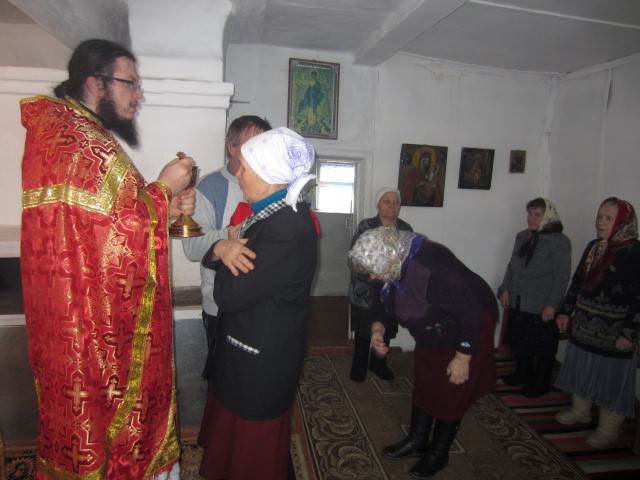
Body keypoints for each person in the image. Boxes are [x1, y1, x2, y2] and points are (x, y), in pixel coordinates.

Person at [20, 39, 196, 479]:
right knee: (105, 433)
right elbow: (119, 233)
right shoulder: (83, 141)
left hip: (75, 313)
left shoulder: (70, 132)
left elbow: (103, 228)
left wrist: (164, 207)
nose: (139, 95)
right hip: (91, 326)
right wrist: (164, 188)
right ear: (95, 82)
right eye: (130, 83)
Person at [197, 127, 318, 479]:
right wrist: (221, 248)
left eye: (245, 168)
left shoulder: (286, 229)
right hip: (245, 351)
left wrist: (222, 250)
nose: (237, 173)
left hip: (260, 364)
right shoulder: (267, 214)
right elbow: (230, 257)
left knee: (253, 457)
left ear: (266, 175)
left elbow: (228, 295)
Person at [349, 227, 497, 479]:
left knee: (451, 389)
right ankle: (417, 440)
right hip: (434, 325)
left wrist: (463, 357)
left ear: (386, 258)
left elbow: (468, 311)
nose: (373, 277)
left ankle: (439, 453)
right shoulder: (389, 261)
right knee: (426, 379)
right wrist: (377, 329)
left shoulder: (432, 268)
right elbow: (381, 299)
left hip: (471, 324)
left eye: (373, 271)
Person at [182, 115, 271, 378]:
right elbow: (192, 248)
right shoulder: (210, 187)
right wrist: (227, 235)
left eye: (263, 144)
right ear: (231, 147)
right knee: (223, 380)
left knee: (254, 379)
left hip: (261, 305)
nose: (258, 151)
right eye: (251, 144)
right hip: (221, 307)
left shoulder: (271, 184)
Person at [554, 197, 640, 449]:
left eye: (609, 218)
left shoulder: (635, 252)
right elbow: (577, 282)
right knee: (582, 367)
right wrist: (565, 311)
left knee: (611, 378)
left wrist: (629, 333)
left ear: (623, 222)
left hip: (615, 331)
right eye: (600, 216)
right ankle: (580, 411)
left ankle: (608, 428)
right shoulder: (595, 246)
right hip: (584, 324)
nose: (601, 222)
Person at [497, 198, 571, 397]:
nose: (531, 218)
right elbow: (512, 266)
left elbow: (562, 277)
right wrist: (505, 289)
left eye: (538, 214)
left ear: (548, 216)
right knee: (521, 342)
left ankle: (541, 383)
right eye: (530, 213)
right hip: (519, 300)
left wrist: (552, 305)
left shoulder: (559, 241)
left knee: (542, 347)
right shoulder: (523, 236)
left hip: (542, 304)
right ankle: (523, 373)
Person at [348, 187, 413, 382]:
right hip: (366, 289)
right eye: (387, 201)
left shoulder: (405, 228)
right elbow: (353, 259)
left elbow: (409, 259)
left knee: (387, 329)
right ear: (378, 205)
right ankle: (359, 366)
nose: (392, 206)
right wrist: (370, 274)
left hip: (391, 289)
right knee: (364, 331)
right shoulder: (366, 226)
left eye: (396, 202)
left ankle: (379, 364)